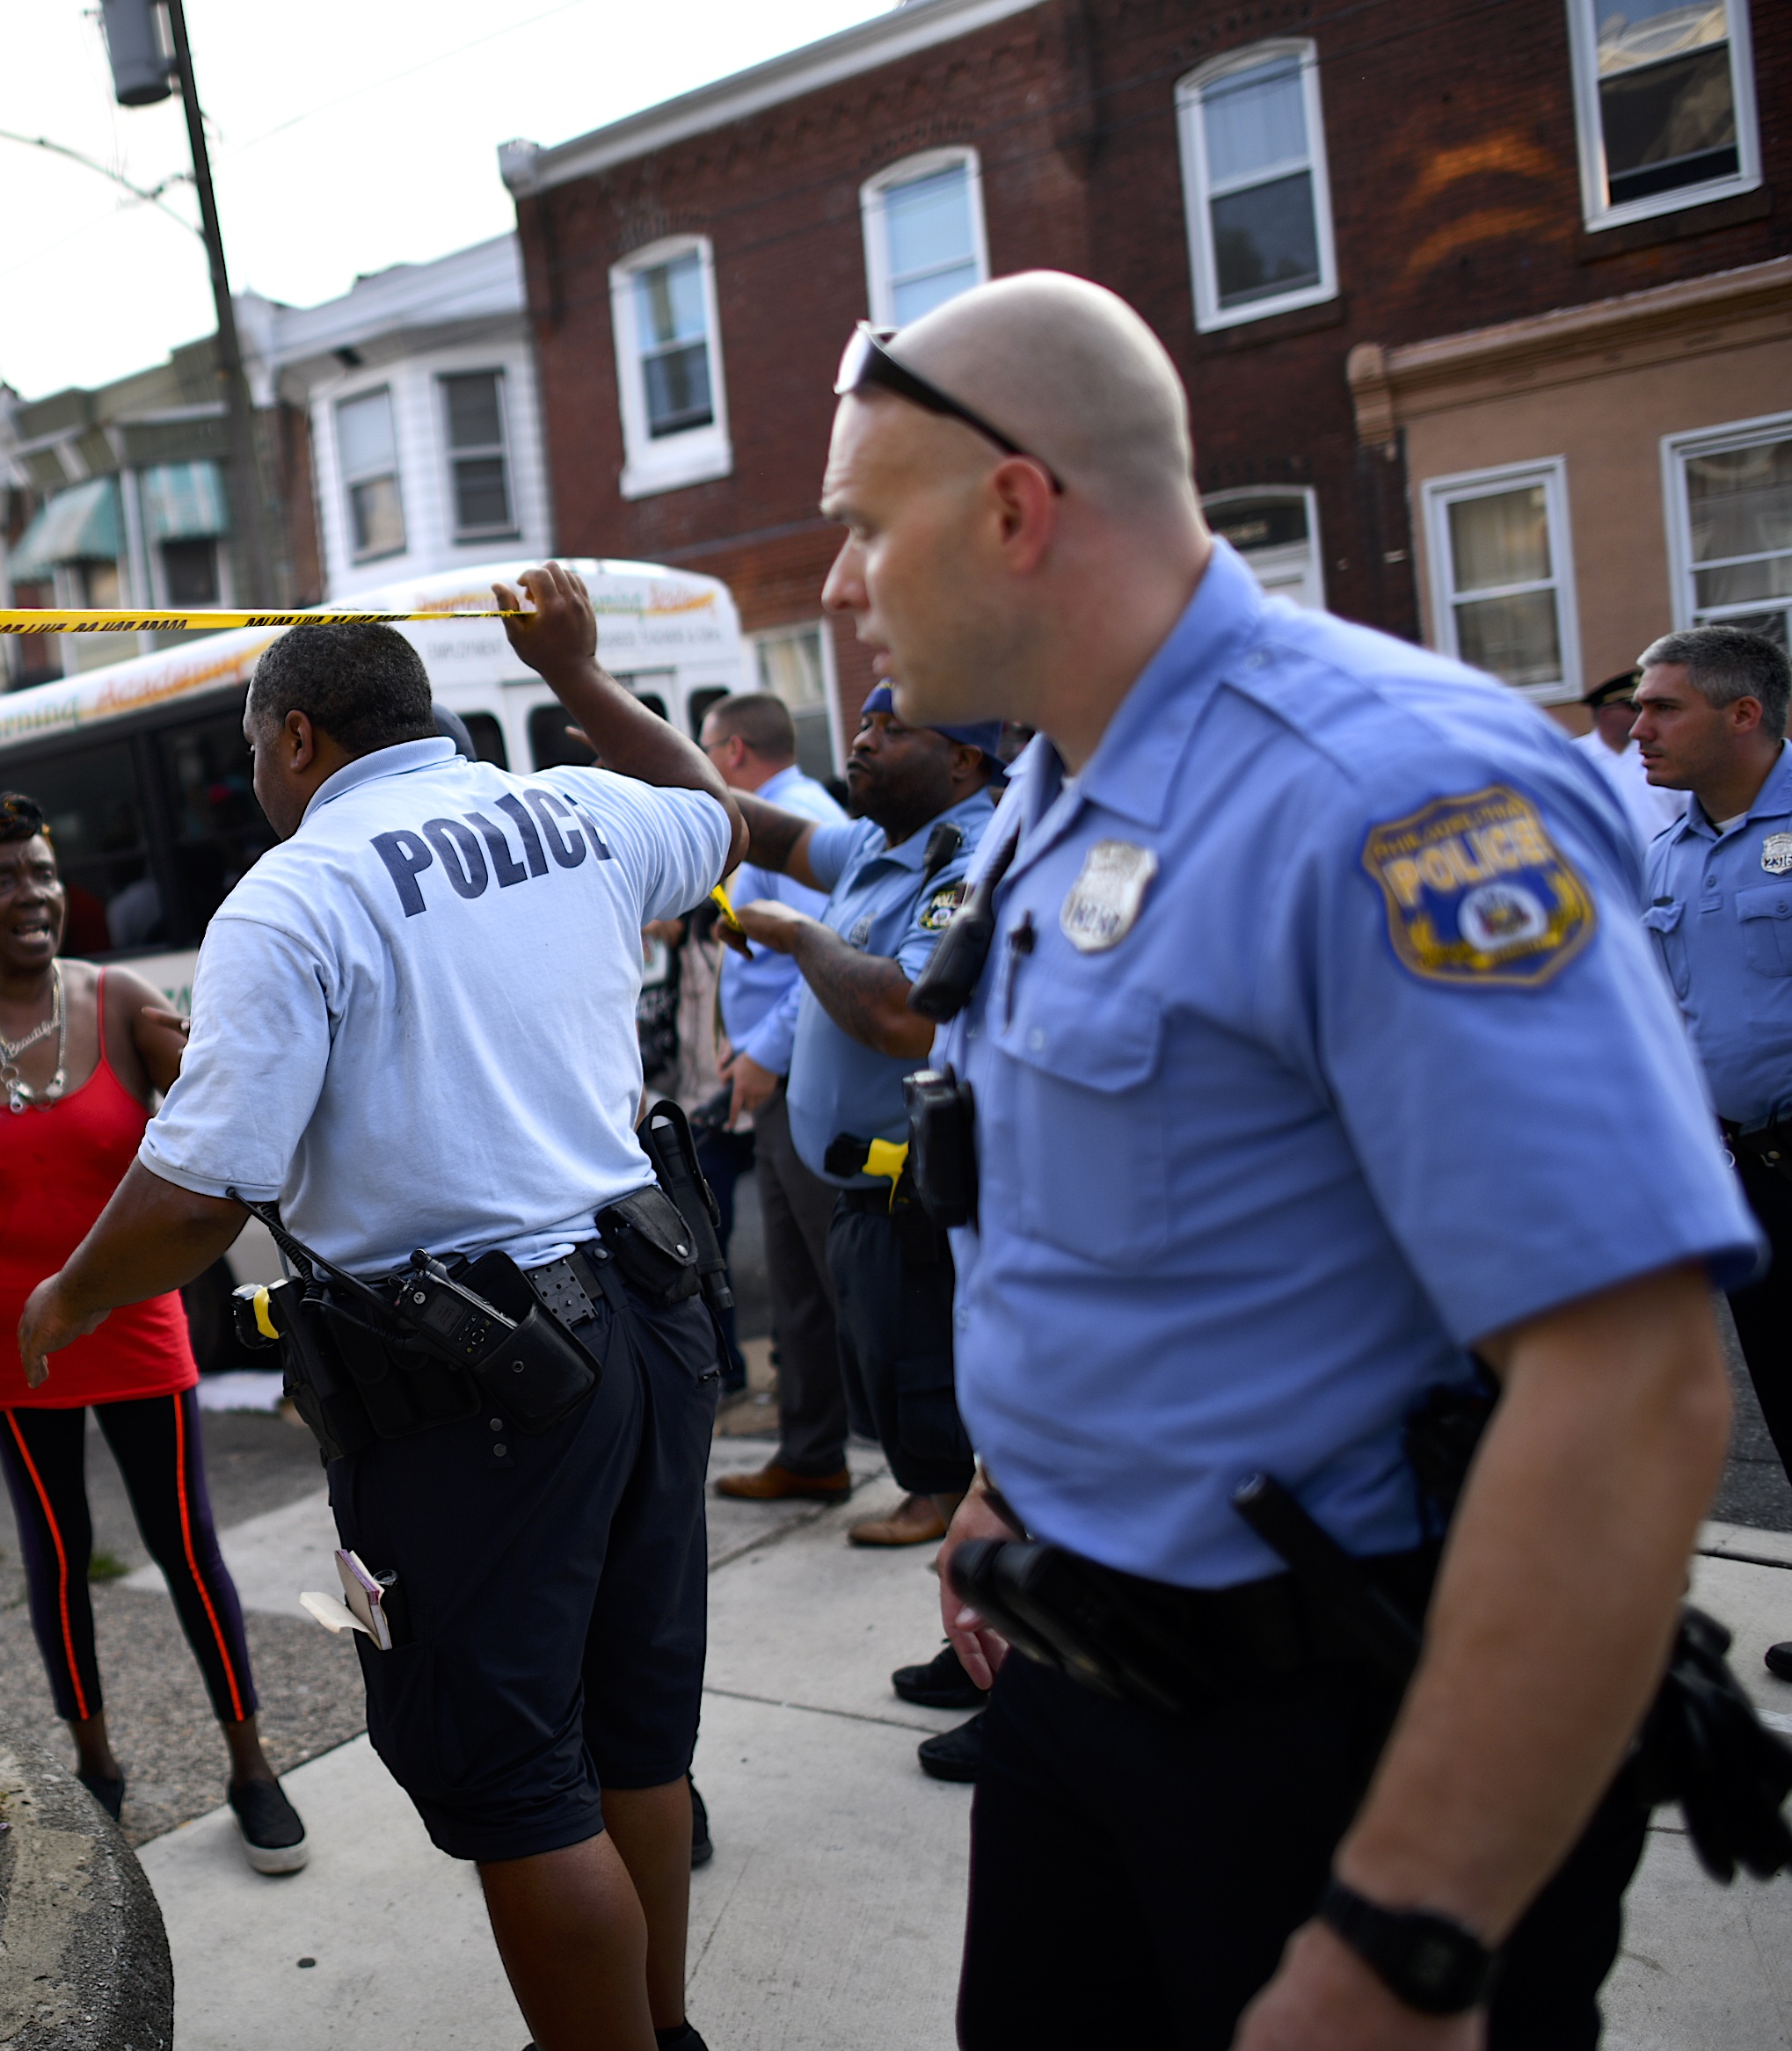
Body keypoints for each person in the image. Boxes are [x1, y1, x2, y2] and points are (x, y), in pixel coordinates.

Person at [805, 272, 1745, 2045]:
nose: (840, 581)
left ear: (1013, 509)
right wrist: (1017, 1474)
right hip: (1073, 1674)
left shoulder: (1390, 790)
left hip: (1325, 1727)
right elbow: (1097, 1205)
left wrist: (1406, 1931)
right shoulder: (1054, 791)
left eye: (862, 525)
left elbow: (1628, 1384)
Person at [15, 601, 743, 2050]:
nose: (260, 784)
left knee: (521, 1781)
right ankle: (661, 2032)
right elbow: (717, 813)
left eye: (255, 753)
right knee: (634, 1733)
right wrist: (581, 680)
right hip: (654, 1319)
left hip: (482, 1384)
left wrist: (68, 1292)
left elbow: (198, 1195)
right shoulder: (582, 810)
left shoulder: (298, 894)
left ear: (298, 733)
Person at [0, 796, 302, 1866]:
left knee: (184, 1545)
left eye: (44, 871)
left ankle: (251, 1761)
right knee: (55, 1553)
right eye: (5, 878)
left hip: (132, 1321)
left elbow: (217, 1107)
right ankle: (96, 1764)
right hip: (7, 1344)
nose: (33, 894)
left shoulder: (117, 1003)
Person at [728, 687, 994, 1560]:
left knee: (932, 1392)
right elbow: (758, 827)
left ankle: (967, 1580)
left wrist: (798, 935)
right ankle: (962, 1592)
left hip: (915, 1191)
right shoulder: (880, 846)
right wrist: (600, 705)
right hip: (863, 1190)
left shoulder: (969, 852)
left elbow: (904, 1014)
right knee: (892, 1378)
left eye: (893, 728)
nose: (863, 739)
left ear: (962, 757)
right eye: (864, 724)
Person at [1628, 623, 1792, 1681]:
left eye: (1660, 707)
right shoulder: (1670, 849)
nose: (1634, 726)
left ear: (1743, 714)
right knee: (1786, 1398)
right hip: (1746, 1176)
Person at [696, 691, 855, 1500]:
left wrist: (762, 1052)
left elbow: (831, 962)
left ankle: (935, 1475)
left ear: (731, 753)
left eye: (703, 746)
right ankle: (814, 1452)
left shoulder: (803, 827)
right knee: (798, 1287)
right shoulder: (771, 817)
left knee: (845, 1282)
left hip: (803, 1078)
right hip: (774, 1079)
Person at [1576, 669, 1681, 836]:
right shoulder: (1573, 758)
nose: (1642, 716)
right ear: (1604, 713)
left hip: (1668, 859)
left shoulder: (1665, 753)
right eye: (1634, 707)